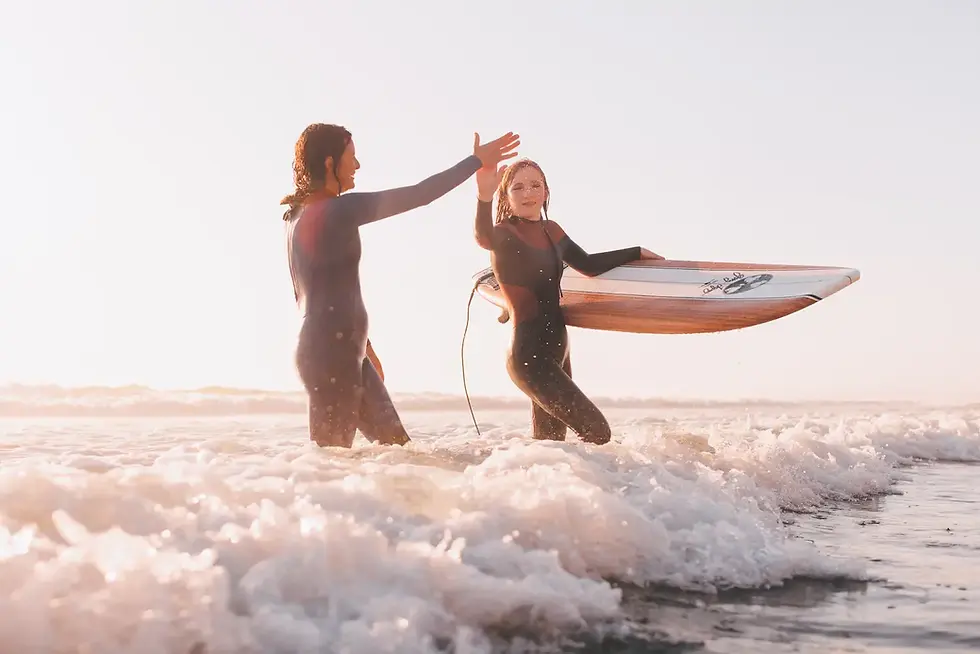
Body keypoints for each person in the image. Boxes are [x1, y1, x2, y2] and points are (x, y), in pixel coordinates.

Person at [282, 124, 520, 448]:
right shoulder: (337, 210)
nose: (357, 165)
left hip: (336, 347)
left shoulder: (299, 216)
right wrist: (476, 161)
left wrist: (363, 346)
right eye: (351, 157)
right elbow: (421, 194)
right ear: (329, 163)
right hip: (331, 352)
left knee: (398, 452)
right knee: (331, 459)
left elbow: (318, 289)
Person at [473, 158, 663, 444]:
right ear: (506, 195)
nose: (528, 193)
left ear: (546, 192)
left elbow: (588, 264)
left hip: (558, 348)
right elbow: (483, 237)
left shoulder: (552, 230)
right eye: (518, 187)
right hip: (529, 356)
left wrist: (635, 252)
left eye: (535, 185)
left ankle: (528, 473)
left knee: (551, 445)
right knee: (597, 432)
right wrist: (483, 196)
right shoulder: (504, 234)